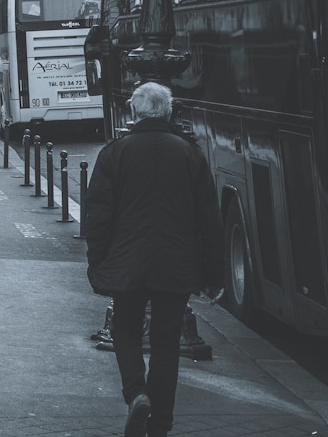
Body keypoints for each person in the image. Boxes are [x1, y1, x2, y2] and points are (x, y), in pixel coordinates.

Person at [84, 82, 224, 437]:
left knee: (126, 331)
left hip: (127, 261)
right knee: (166, 344)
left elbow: (97, 215)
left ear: (134, 112)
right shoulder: (189, 153)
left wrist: (98, 262)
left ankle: (136, 394)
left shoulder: (115, 153)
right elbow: (209, 217)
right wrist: (214, 272)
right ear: (168, 111)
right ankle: (160, 426)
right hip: (177, 264)